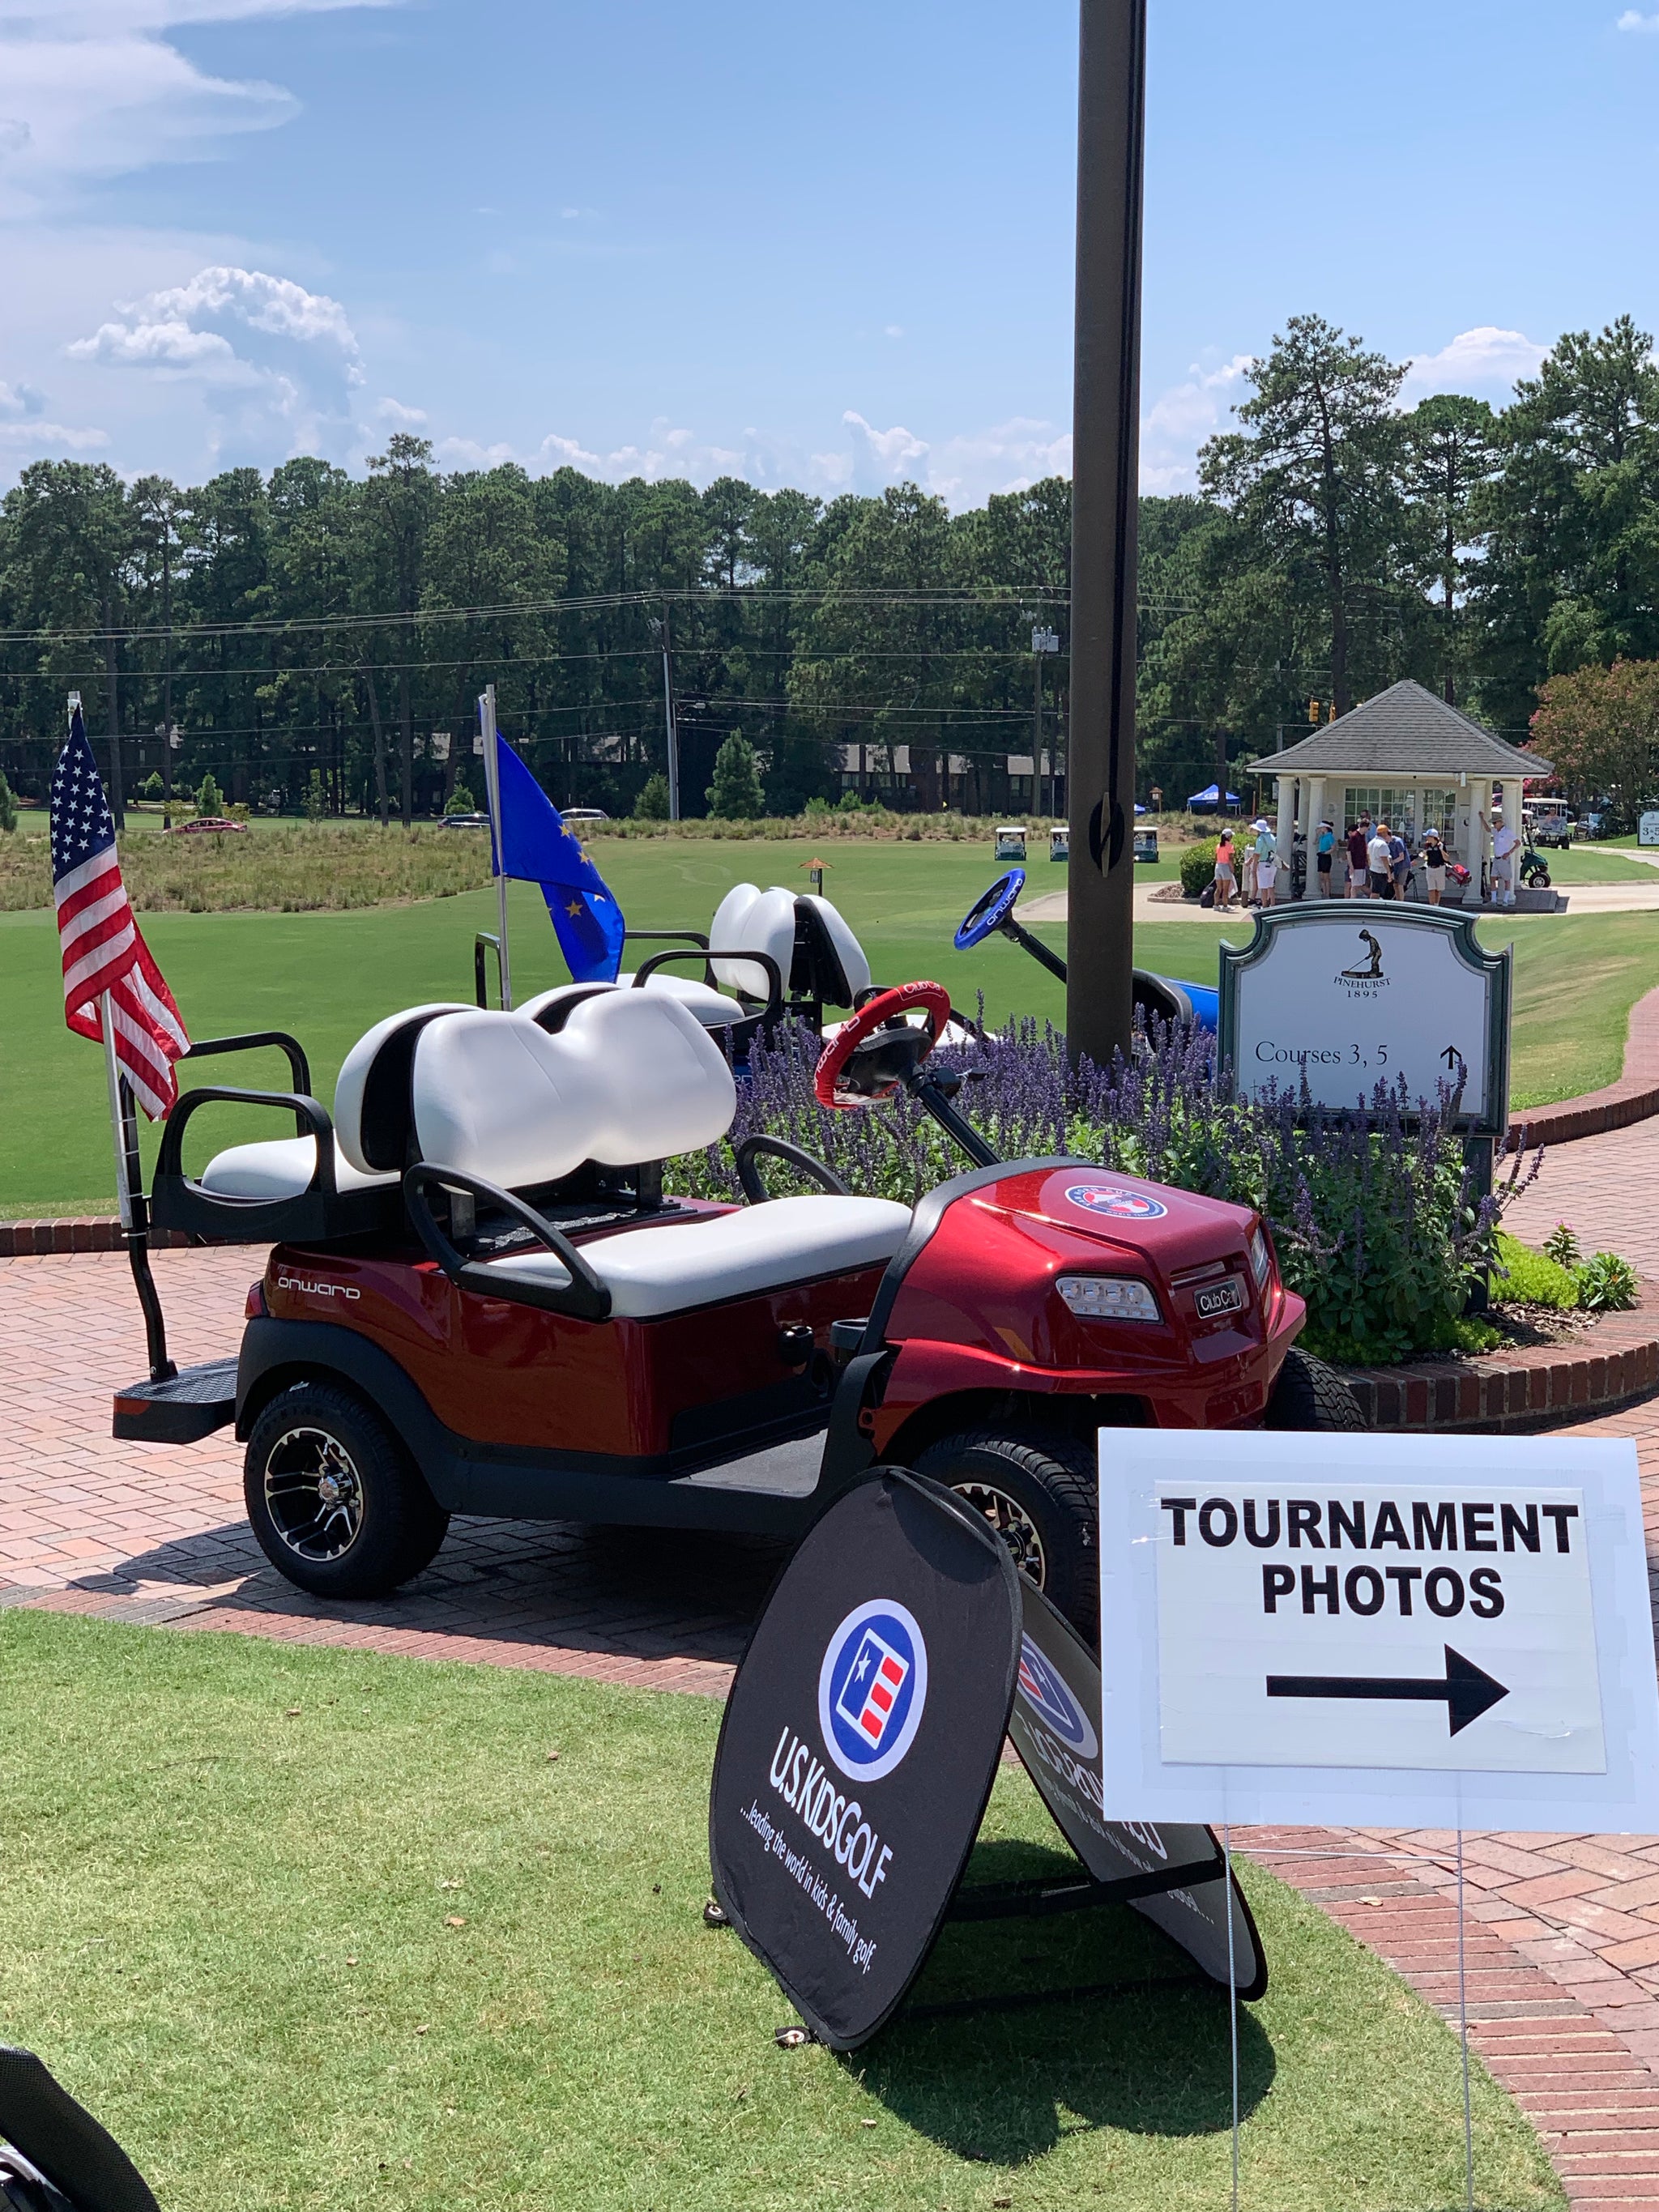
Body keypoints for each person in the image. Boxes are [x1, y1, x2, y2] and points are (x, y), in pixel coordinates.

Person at [1485, 806, 1519, 909]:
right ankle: (1494, 900)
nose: (1494, 825)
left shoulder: (1508, 832)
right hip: (1496, 859)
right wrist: (1482, 819)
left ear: (1500, 822)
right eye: (1493, 823)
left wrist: (1509, 853)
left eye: (1495, 823)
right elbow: (1487, 829)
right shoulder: (1495, 831)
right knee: (1492, 878)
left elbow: (1518, 843)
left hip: (1504, 859)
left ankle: (1505, 900)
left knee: (1506, 879)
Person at [1420, 823, 1447, 906]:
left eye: (1428, 836)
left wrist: (1441, 850)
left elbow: (1446, 858)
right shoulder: (1427, 846)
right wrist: (1423, 853)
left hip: (1440, 868)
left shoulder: (1441, 846)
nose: (1426, 838)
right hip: (1430, 868)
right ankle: (1431, 906)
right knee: (1431, 889)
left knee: (1438, 889)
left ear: (1433, 837)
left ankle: (1436, 905)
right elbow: (1423, 856)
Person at [1254, 817, 1278, 907]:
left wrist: (1254, 866)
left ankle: (1264, 906)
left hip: (1263, 863)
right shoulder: (1272, 837)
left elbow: (1257, 854)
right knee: (1270, 885)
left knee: (1263, 886)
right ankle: (1272, 904)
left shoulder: (1260, 839)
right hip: (1272, 863)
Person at [1367, 820, 1395, 898]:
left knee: (1375, 890)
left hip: (1373, 869)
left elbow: (1368, 856)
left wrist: (1370, 866)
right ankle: (1374, 908)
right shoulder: (1382, 844)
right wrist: (1389, 873)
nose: (1387, 834)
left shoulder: (1371, 842)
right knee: (1377, 892)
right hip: (1381, 871)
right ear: (1383, 833)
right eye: (1386, 832)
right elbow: (1384, 859)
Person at [1213, 829, 1236, 910]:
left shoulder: (1218, 845)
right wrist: (1232, 868)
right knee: (1226, 889)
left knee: (1219, 888)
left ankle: (1216, 905)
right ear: (1229, 837)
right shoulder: (1230, 846)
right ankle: (1225, 906)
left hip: (1218, 866)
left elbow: (1216, 857)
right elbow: (1230, 859)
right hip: (1225, 867)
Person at [1346, 818, 1370, 897]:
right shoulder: (1354, 836)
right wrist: (1351, 866)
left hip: (1362, 864)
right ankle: (1352, 901)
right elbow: (1348, 852)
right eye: (1368, 828)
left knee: (1359, 884)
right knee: (1355, 886)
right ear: (1365, 827)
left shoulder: (1362, 836)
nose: (1368, 830)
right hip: (1356, 865)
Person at [1388, 822, 1410, 898]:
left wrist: (1392, 862)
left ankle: (1401, 903)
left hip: (1404, 866)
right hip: (1396, 866)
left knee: (1400, 884)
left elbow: (1402, 857)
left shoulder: (1398, 841)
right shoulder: (1388, 844)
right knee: (1395, 884)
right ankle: (1397, 900)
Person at [1316, 819, 1335, 898]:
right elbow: (1315, 842)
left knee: (1326, 877)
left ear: (1325, 828)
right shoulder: (1322, 836)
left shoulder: (1330, 836)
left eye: (1321, 828)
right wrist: (1317, 834)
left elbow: (1333, 848)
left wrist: (1326, 852)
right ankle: (1324, 893)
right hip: (1320, 856)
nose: (1320, 829)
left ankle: (1327, 894)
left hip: (1326, 856)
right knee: (1321, 877)